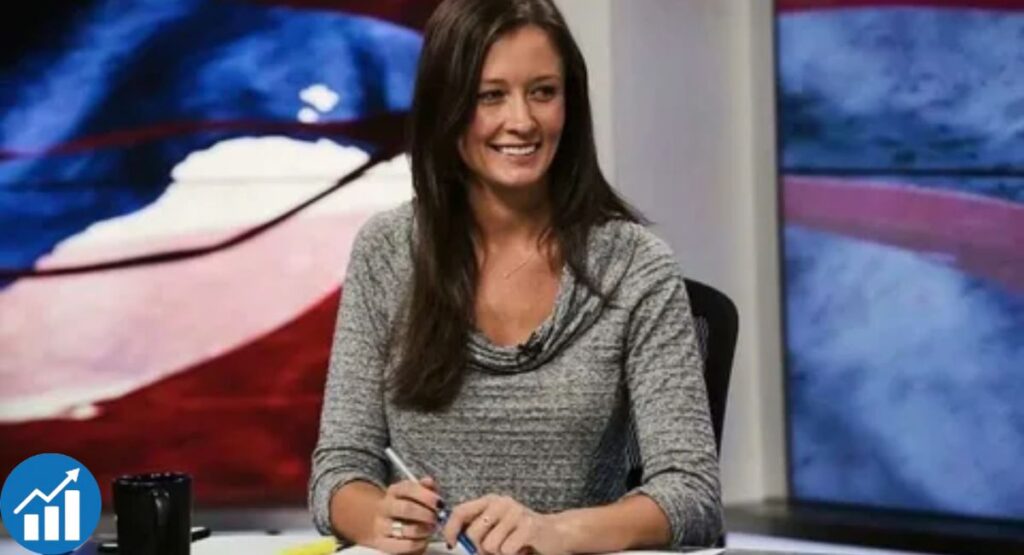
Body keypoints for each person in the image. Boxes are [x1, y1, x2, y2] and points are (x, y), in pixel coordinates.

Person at [308, 0, 723, 553]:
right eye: (490, 95)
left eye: (543, 92)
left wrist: (556, 530)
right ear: (447, 106)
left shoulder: (635, 264)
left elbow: (692, 494)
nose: (522, 121)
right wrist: (377, 516)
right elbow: (339, 471)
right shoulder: (387, 252)